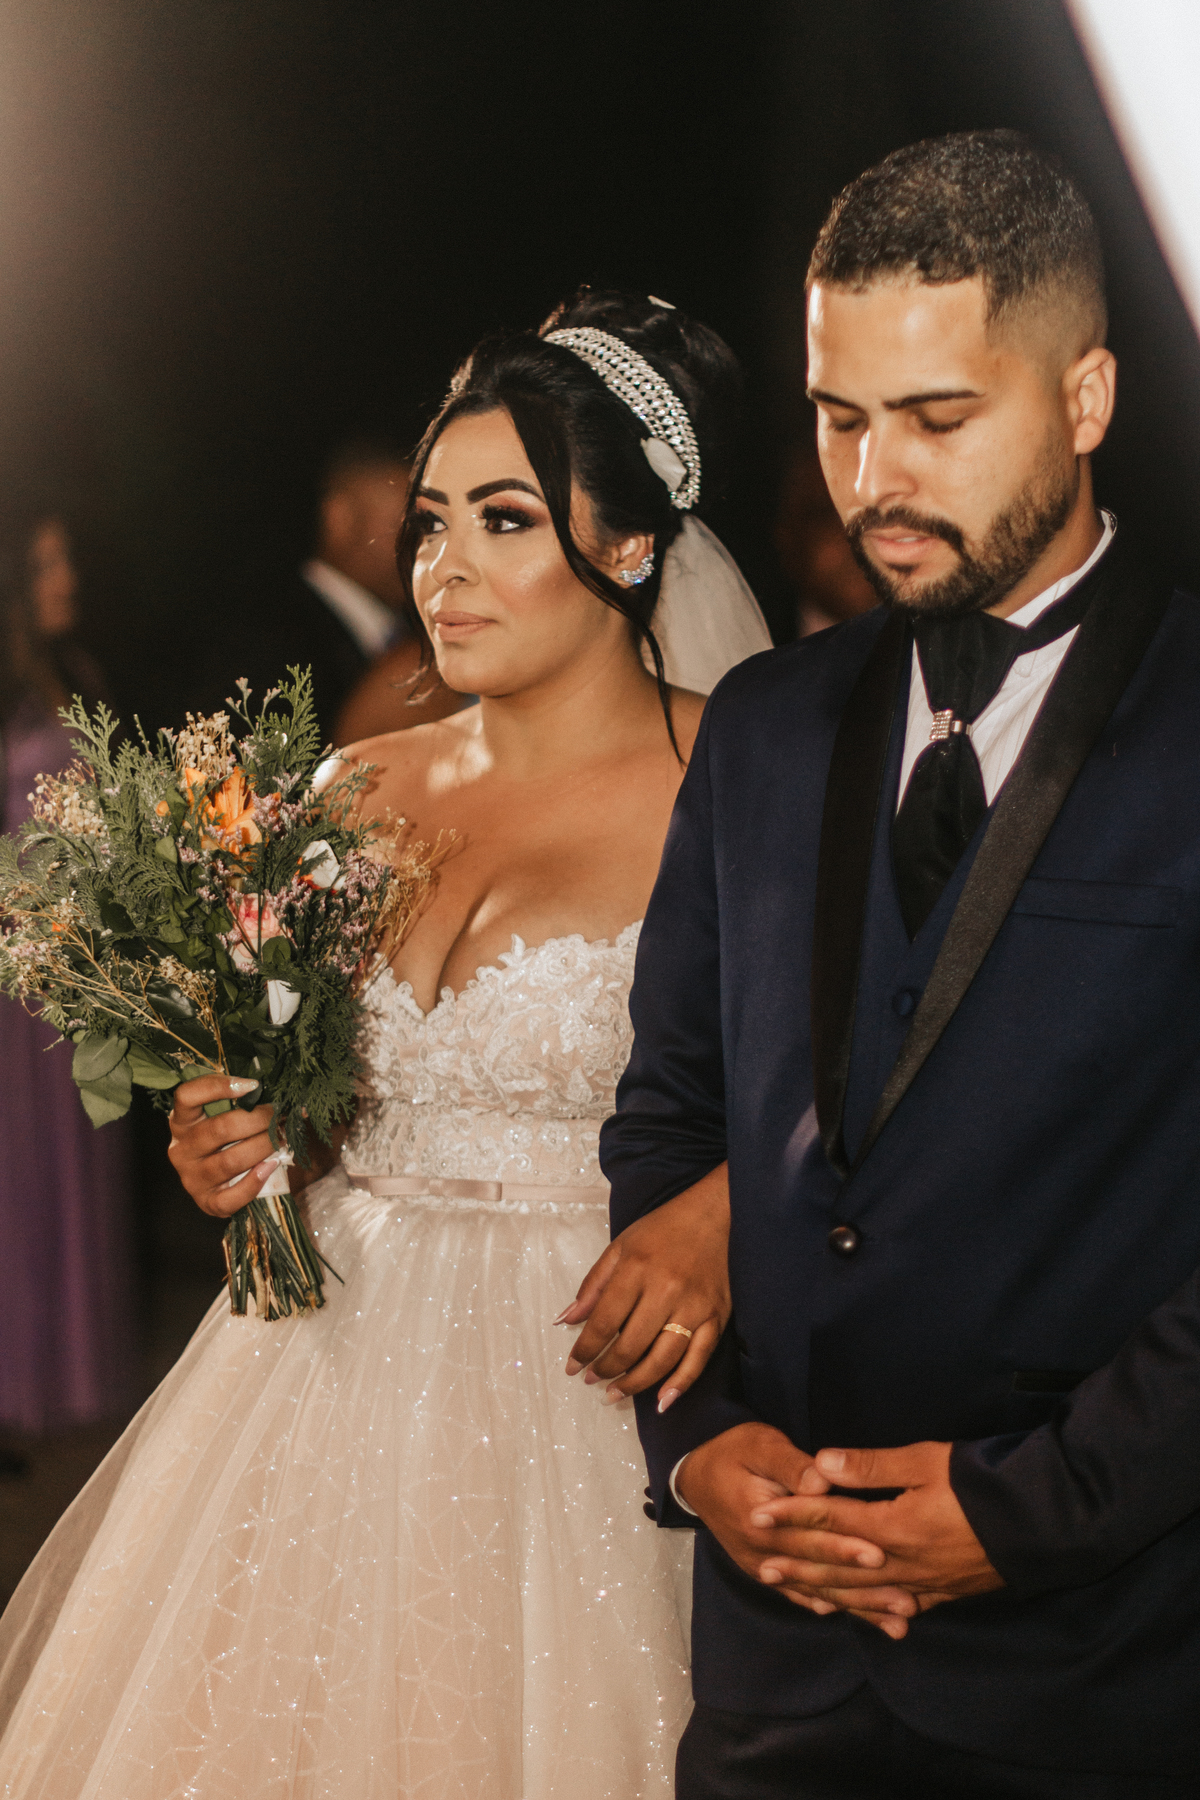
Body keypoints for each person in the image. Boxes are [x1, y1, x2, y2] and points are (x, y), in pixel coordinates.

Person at [0, 291, 770, 1797]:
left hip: (590, 1376)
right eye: (430, 523)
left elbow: (854, 1081)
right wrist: (238, 1140)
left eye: (504, 520)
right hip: (324, 1370)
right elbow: (308, 1104)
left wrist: (727, 1213)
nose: (444, 569)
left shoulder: (740, 776)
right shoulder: (349, 791)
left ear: (629, 546)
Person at [586, 132, 1200, 1796]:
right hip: (775, 1672)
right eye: (840, 418)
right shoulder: (765, 725)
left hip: (1108, 1674)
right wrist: (697, 1444)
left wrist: (1026, 1513)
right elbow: (670, 1119)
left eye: (937, 419)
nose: (874, 479)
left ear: (1085, 397)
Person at [0, 507, 136, 1446]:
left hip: (78, 969)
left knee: (78, 1164)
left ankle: (68, 1367)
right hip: (11, 976)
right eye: (47, 562)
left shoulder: (77, 674)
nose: (67, 577)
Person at [208, 439, 461, 744]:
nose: (428, 546)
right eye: (409, 525)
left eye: (434, 529)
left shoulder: (412, 633)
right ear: (340, 518)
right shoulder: (265, 638)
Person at [773, 439, 876, 636]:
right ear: (788, 535)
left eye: (872, 513)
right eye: (829, 515)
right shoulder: (757, 642)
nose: (857, 538)